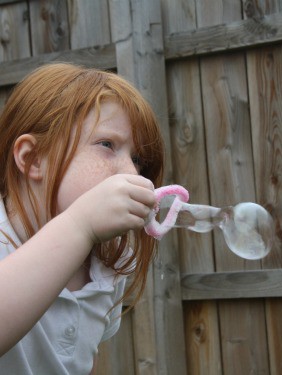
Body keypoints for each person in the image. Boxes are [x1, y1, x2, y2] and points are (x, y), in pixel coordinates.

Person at [0, 62, 164, 374]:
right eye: (107, 145)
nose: (132, 172)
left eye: (137, 159)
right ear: (33, 159)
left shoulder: (107, 264)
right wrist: (79, 225)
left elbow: (80, 360)